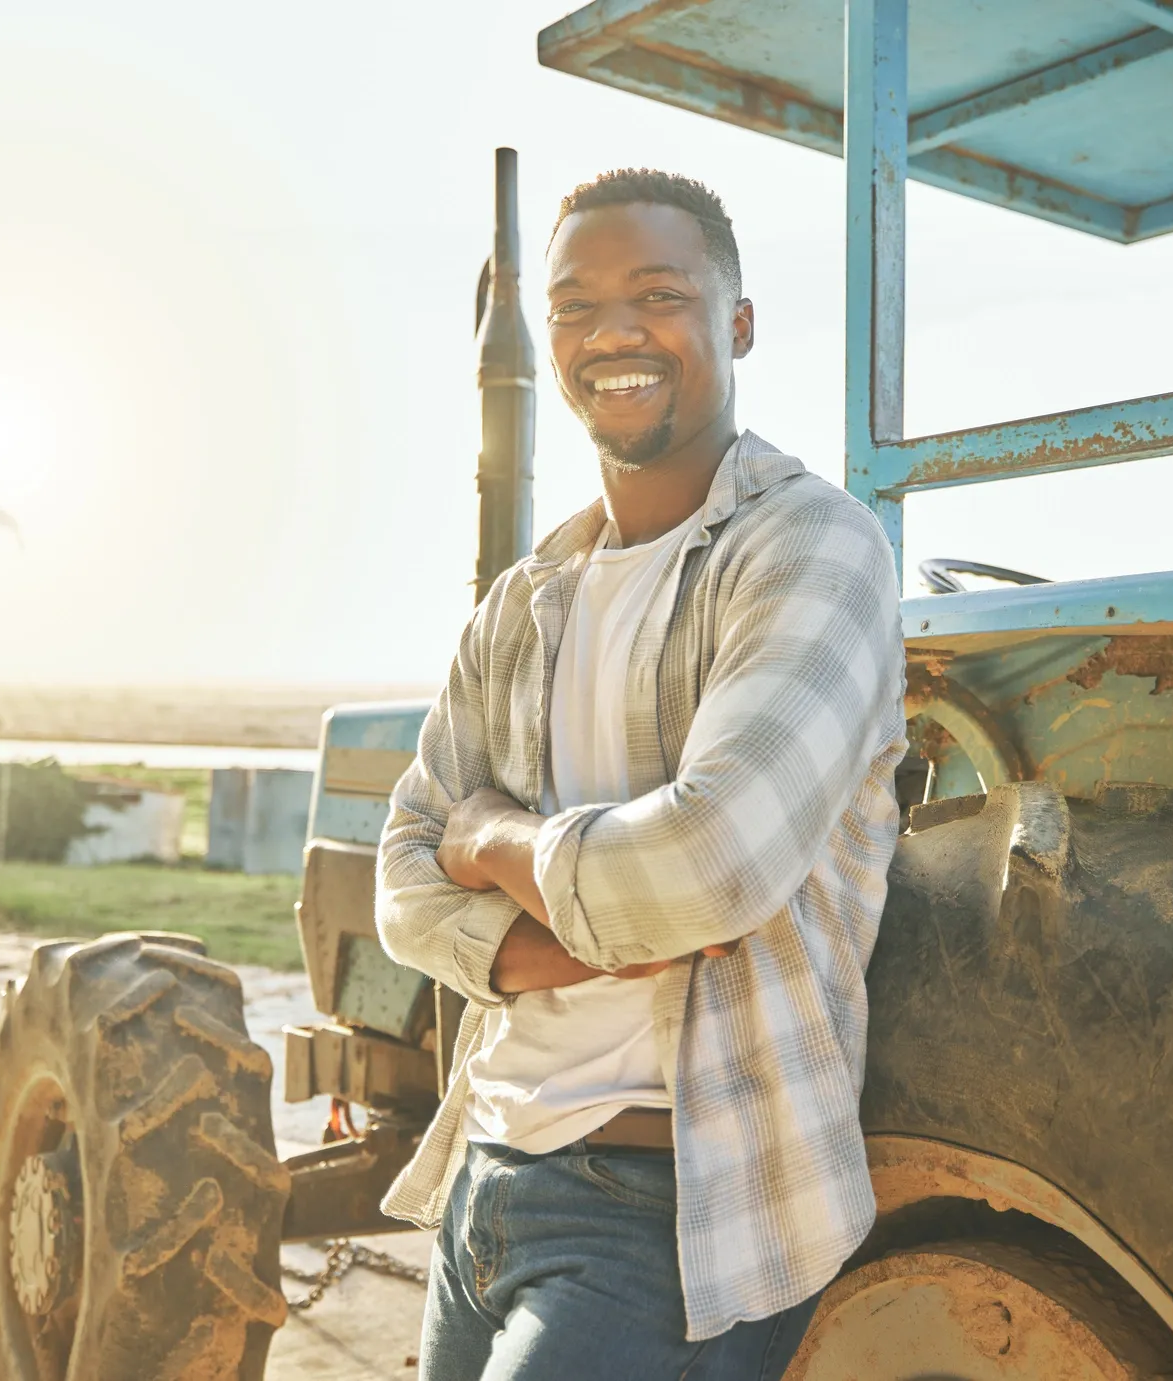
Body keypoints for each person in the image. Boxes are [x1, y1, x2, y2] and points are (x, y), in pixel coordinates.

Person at [374, 167, 908, 1381]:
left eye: (658, 293)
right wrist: (591, 935)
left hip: (668, 1207)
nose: (612, 331)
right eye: (574, 307)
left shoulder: (811, 546)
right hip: (485, 1175)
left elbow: (705, 864)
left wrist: (492, 844)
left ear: (737, 321)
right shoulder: (523, 599)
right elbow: (400, 880)